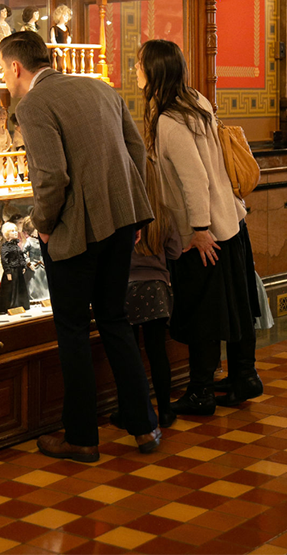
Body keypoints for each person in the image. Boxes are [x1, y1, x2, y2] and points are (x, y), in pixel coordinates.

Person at [0, 30, 159, 463]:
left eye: (2, 70)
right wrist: (131, 212)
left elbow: (51, 177)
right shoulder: (99, 86)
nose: (4, 80)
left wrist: (44, 226)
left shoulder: (32, 104)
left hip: (75, 232)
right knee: (115, 320)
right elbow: (137, 149)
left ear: (16, 67)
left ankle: (83, 437)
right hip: (123, 222)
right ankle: (144, 427)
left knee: (71, 330)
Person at [135, 39, 262, 415]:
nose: (135, 70)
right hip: (231, 220)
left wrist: (199, 229)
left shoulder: (170, 121)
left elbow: (193, 180)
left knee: (204, 312)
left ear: (155, 71)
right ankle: (244, 376)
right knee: (237, 305)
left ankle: (201, 392)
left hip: (205, 232)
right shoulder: (197, 102)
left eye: (139, 64)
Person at [111, 158, 181, 429]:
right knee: (157, 352)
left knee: (128, 355)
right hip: (156, 291)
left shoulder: (121, 213)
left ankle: (128, 410)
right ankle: (165, 410)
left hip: (126, 289)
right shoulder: (163, 213)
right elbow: (174, 252)